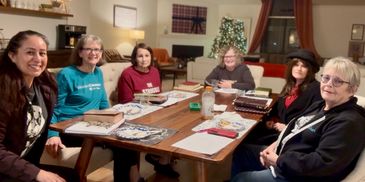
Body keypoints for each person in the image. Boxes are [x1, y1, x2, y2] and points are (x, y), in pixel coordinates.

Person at [231, 57, 365, 182]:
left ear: (352, 89)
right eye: (326, 78)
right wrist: (273, 147)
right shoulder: (321, 105)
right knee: (238, 152)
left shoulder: (349, 122)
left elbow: (321, 163)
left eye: (337, 81)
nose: (328, 84)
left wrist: (278, 160)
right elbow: (293, 127)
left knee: (242, 178)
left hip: (294, 175)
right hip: (284, 156)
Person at [45, 35, 142, 182]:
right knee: (123, 144)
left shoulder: (97, 72)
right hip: (70, 127)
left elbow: (103, 103)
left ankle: (133, 178)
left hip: (93, 124)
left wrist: (115, 119)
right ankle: (134, 178)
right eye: (88, 49)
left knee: (128, 136)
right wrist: (53, 134)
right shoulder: (67, 74)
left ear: (101, 53)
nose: (93, 53)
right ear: (80, 53)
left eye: (97, 49)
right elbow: (54, 107)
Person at [0, 30, 78, 181]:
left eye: (42, 53)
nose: (38, 59)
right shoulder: (4, 91)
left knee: (73, 176)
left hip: (23, 165)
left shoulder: (46, 86)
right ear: (12, 56)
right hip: (5, 169)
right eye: (30, 52)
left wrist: (52, 136)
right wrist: (37, 174)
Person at [117, 43, 179, 178]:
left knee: (177, 122)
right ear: (135, 58)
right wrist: (146, 100)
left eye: (147, 55)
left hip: (155, 111)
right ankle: (158, 158)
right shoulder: (128, 74)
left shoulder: (155, 71)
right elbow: (125, 100)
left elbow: (158, 93)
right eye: (140, 56)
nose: (144, 59)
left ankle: (162, 160)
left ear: (151, 57)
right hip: (137, 114)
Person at [246, 49, 322, 145]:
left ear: (310, 70)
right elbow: (278, 108)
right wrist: (271, 120)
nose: (299, 69)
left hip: (292, 137)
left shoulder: (316, 89)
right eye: (296, 65)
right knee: (248, 132)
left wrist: (287, 128)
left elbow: (312, 122)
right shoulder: (290, 85)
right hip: (276, 129)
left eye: (304, 66)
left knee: (248, 143)